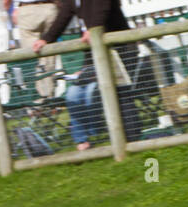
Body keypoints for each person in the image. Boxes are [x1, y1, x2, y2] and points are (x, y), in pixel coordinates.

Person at [34, 0, 143, 147]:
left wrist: (93, 29)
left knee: (115, 93)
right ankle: (82, 140)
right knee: (73, 92)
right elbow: (63, 17)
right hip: (94, 55)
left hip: (118, 49)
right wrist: (45, 40)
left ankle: (132, 139)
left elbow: (102, 10)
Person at [14, 1, 59, 98]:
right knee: (48, 58)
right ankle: (49, 98)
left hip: (27, 10)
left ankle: (38, 101)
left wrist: (15, 7)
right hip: (49, 7)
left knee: (32, 58)